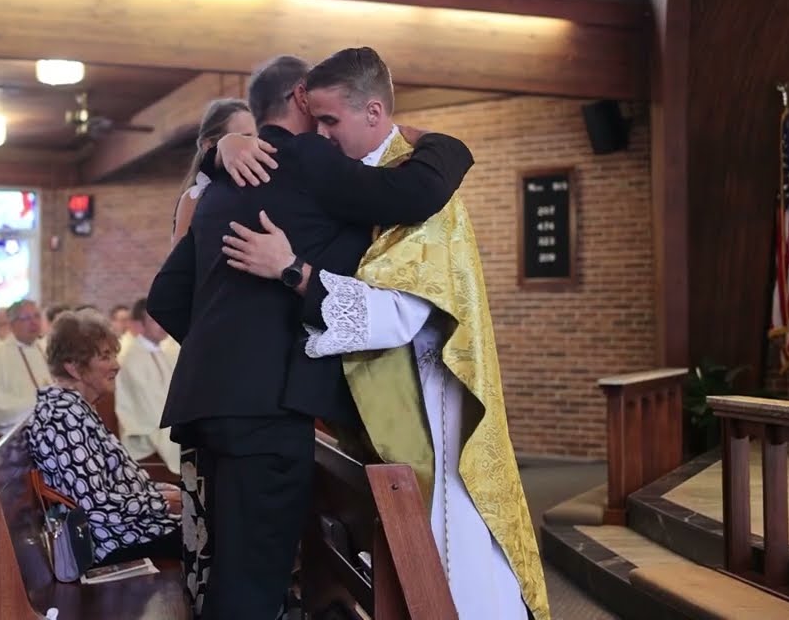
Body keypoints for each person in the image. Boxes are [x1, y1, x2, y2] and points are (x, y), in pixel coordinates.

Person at [216, 47, 547, 619]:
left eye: (329, 122)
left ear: (373, 112)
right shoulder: (357, 179)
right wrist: (223, 142)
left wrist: (292, 271)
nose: (318, 135)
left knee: (453, 556)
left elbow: (400, 315)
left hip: (427, 402)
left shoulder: (419, 189)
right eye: (314, 121)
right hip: (377, 395)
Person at [147, 54, 473, 618]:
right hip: (267, 411)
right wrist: (437, 139)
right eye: (320, 116)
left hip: (204, 407)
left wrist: (229, 353)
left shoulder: (224, 176)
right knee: (253, 587)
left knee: (229, 573)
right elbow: (416, 193)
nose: (326, 131)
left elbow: (166, 298)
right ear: (302, 96)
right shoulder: (306, 159)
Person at [27, 310, 182, 566]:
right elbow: (95, 507)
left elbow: (112, 486)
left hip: (132, 529)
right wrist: (164, 501)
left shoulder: (76, 408)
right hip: (113, 542)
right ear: (74, 367)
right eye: (105, 357)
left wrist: (165, 493)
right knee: (222, 534)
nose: (116, 365)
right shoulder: (63, 418)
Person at [171, 99, 258, 246]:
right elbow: (177, 266)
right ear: (209, 145)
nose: (255, 145)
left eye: (258, 137)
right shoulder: (195, 200)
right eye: (244, 138)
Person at [116, 298, 180, 473]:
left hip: (163, 422)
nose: (162, 325)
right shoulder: (133, 357)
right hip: (145, 432)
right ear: (139, 325)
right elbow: (148, 407)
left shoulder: (159, 352)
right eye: (154, 320)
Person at [0, 299, 51, 432]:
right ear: (12, 324)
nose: (34, 322)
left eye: (37, 316)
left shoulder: (45, 350)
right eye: (26, 318)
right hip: (11, 430)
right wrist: (41, 408)